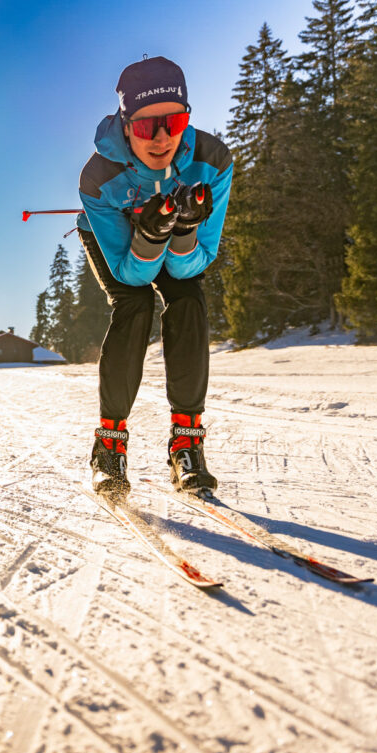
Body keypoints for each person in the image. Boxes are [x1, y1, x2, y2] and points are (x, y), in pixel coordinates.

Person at [76, 56, 233, 498]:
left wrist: (182, 231)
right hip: (120, 245)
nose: (162, 137)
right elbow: (132, 274)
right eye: (146, 127)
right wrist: (148, 234)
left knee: (187, 299)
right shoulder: (98, 179)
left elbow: (192, 266)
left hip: (172, 245)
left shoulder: (213, 161)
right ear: (126, 126)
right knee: (135, 304)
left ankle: (186, 443)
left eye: (175, 121)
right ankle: (108, 447)